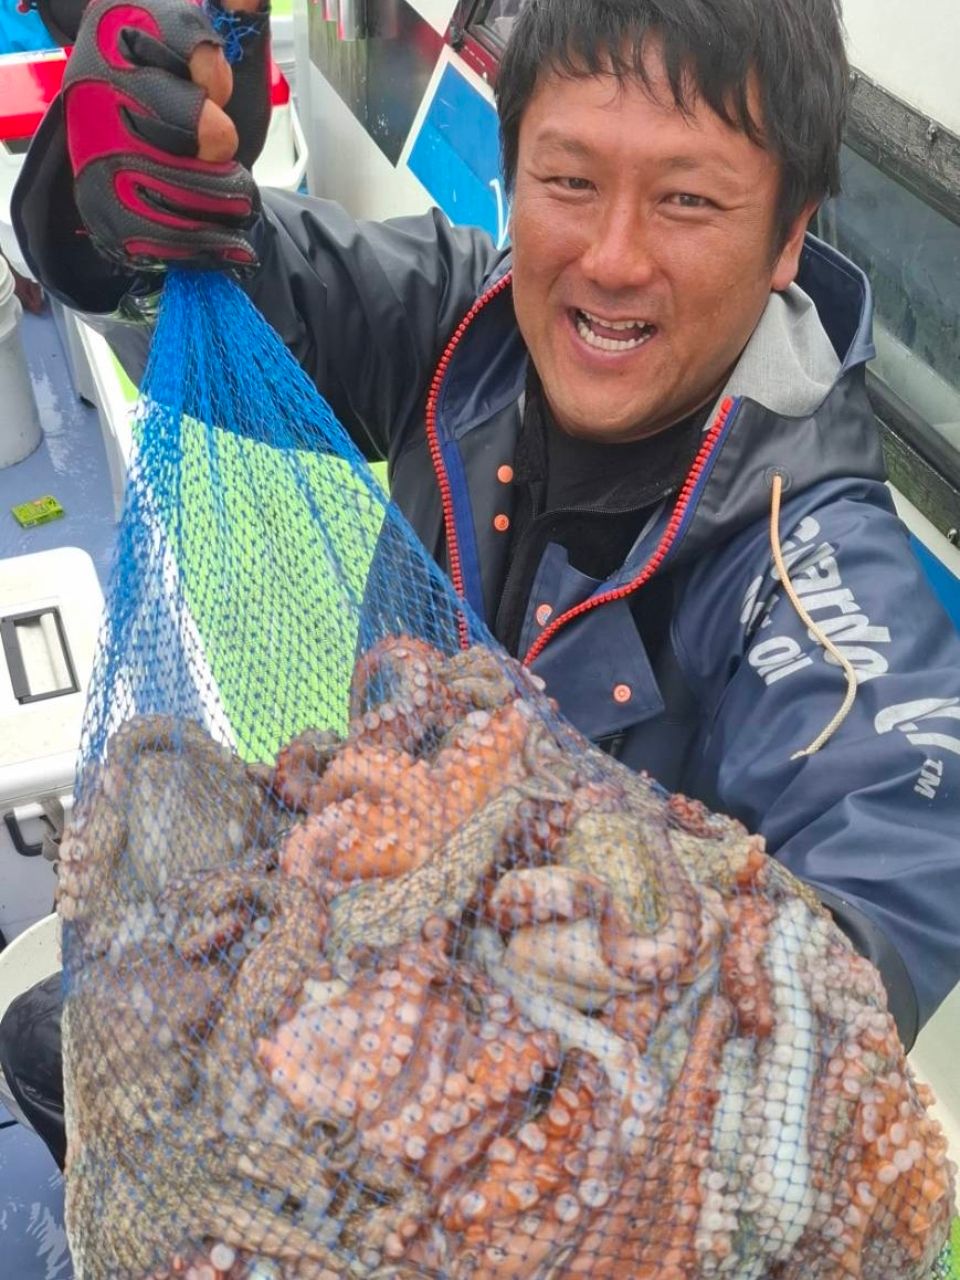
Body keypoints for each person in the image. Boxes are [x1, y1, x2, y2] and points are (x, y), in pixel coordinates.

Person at [4, 0, 960, 1165]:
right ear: (512, 180)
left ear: (789, 234)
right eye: (568, 181)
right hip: (371, 961)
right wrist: (101, 200)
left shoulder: (816, 568)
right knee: (58, 1034)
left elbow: (882, 891)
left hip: (557, 1129)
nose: (612, 259)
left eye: (689, 199)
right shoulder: (470, 322)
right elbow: (209, 276)